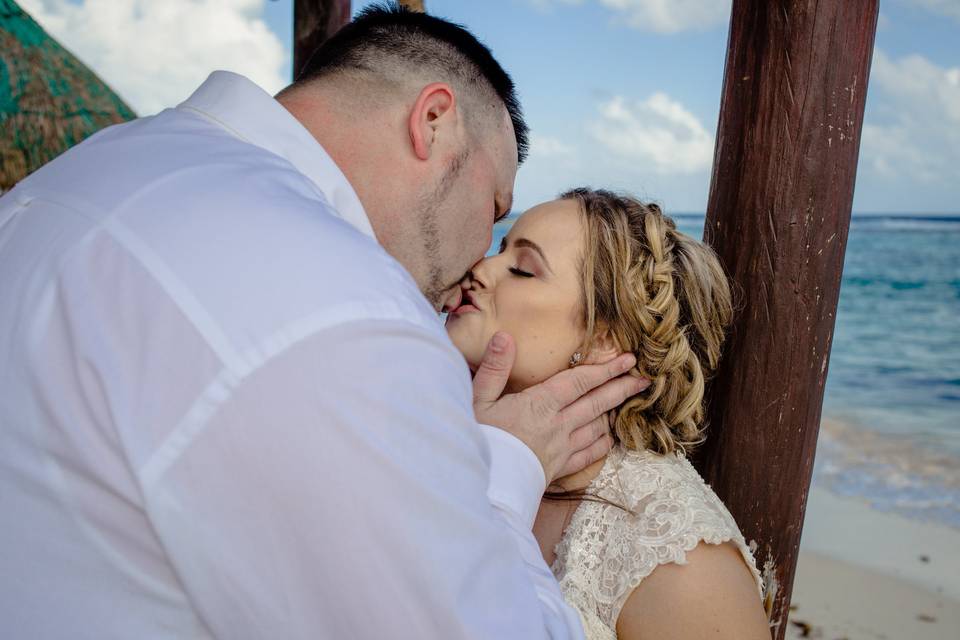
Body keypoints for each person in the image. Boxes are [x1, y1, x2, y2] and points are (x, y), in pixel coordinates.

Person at [0, 6, 646, 639]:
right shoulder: (345, 307)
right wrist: (503, 469)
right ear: (434, 122)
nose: (483, 248)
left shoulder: (85, 173)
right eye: (495, 204)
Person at [446, 189, 772, 640]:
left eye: (522, 269)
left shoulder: (675, 556)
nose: (478, 269)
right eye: (500, 251)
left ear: (606, 339)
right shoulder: (446, 439)